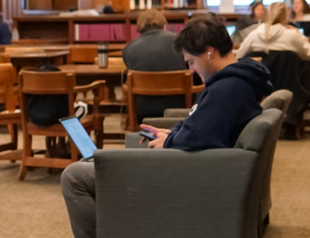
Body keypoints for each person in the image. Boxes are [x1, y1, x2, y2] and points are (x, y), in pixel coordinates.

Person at [60, 13, 272, 238]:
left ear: (209, 52)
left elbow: (202, 136)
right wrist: (174, 133)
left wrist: (171, 140)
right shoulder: (235, 81)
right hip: (187, 165)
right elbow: (203, 124)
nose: (191, 70)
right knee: (91, 162)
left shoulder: (225, 90)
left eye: (191, 61)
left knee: (74, 176)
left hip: (181, 174)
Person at [121, 8, 189, 124]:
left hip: (143, 112)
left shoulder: (129, 49)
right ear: (164, 25)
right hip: (180, 108)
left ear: (139, 29)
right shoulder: (181, 42)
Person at [237, 2, 310, 60]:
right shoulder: (292, 35)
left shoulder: (254, 35)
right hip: (289, 78)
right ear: (285, 16)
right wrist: (299, 34)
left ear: (267, 15)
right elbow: (308, 54)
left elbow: (239, 56)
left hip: (260, 78)